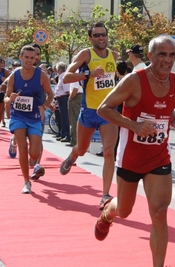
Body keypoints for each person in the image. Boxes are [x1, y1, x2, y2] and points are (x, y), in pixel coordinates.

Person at [95, 35, 175, 267]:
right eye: (162, 54)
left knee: (159, 212)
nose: (168, 60)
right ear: (150, 56)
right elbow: (103, 109)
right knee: (125, 210)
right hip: (131, 157)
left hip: (159, 157)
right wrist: (134, 125)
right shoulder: (133, 80)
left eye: (172, 55)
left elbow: (164, 112)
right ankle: (108, 213)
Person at [59, 22, 119, 210]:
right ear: (90, 38)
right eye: (97, 35)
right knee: (82, 149)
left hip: (108, 111)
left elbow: (122, 79)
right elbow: (66, 77)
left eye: (104, 34)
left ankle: (105, 194)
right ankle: (72, 156)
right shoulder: (86, 54)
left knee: (109, 152)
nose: (101, 38)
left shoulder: (114, 56)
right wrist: (88, 74)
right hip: (89, 110)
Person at [5, 45, 53, 194]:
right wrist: (10, 98)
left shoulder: (41, 75)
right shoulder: (14, 75)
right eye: (26, 57)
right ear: (20, 58)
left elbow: (50, 94)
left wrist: (44, 106)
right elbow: (6, 97)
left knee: (34, 153)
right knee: (23, 149)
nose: (29, 61)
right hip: (18, 116)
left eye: (32, 58)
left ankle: (34, 164)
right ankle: (26, 182)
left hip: (34, 118)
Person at [54, 62, 71, 142]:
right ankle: (63, 133)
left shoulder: (64, 76)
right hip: (60, 98)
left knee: (65, 117)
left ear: (59, 69)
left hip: (64, 98)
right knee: (62, 117)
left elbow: (67, 90)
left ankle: (67, 135)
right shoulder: (61, 76)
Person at [67, 76, 83, 147]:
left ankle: (74, 141)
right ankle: (76, 140)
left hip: (75, 96)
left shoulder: (76, 73)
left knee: (74, 119)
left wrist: (70, 99)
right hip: (79, 96)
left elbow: (75, 89)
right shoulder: (79, 72)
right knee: (76, 119)